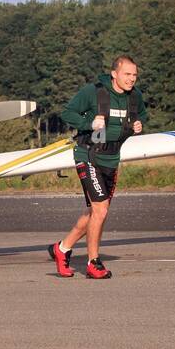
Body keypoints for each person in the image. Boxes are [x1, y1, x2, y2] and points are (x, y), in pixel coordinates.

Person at [48, 56, 147, 279]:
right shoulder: (93, 92)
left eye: (134, 75)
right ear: (114, 74)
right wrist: (88, 124)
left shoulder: (135, 96)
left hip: (112, 158)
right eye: (127, 74)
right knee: (101, 210)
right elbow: (68, 113)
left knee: (94, 212)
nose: (131, 79)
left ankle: (62, 249)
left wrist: (139, 124)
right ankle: (94, 262)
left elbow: (141, 115)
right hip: (88, 154)